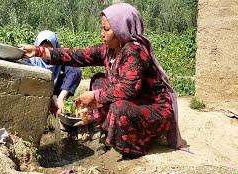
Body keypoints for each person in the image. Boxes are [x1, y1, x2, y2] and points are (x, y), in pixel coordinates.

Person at [19, 3, 186, 159]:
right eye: (102, 28)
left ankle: (134, 146)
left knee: (119, 108)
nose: (102, 33)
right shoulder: (110, 50)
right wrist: (39, 51)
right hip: (135, 100)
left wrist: (95, 96)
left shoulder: (135, 51)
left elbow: (128, 89)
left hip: (153, 107)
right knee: (99, 80)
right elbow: (77, 55)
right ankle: (110, 128)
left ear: (121, 30)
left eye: (106, 29)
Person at [22, 30, 82, 116]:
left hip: (55, 89)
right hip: (36, 90)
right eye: (43, 49)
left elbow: (75, 72)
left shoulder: (59, 58)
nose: (46, 53)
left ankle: (59, 101)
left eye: (49, 50)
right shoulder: (30, 60)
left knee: (74, 71)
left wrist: (60, 97)